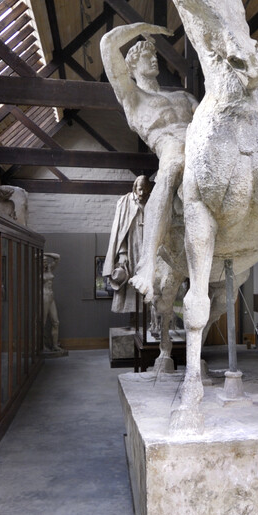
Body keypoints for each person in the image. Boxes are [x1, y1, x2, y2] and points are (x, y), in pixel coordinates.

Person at [100, 23, 199, 301]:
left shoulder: (184, 96)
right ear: (131, 66)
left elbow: (208, 120)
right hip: (170, 148)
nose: (153, 59)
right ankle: (147, 263)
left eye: (154, 55)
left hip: (199, 144)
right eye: (146, 56)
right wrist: (143, 27)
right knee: (171, 167)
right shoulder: (132, 98)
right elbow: (107, 44)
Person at [103, 175, 150, 313]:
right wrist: (122, 252)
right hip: (131, 247)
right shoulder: (125, 202)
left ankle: (147, 313)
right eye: (140, 189)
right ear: (135, 188)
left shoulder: (151, 201)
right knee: (130, 281)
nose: (142, 193)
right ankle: (133, 314)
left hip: (147, 248)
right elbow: (119, 231)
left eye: (145, 190)